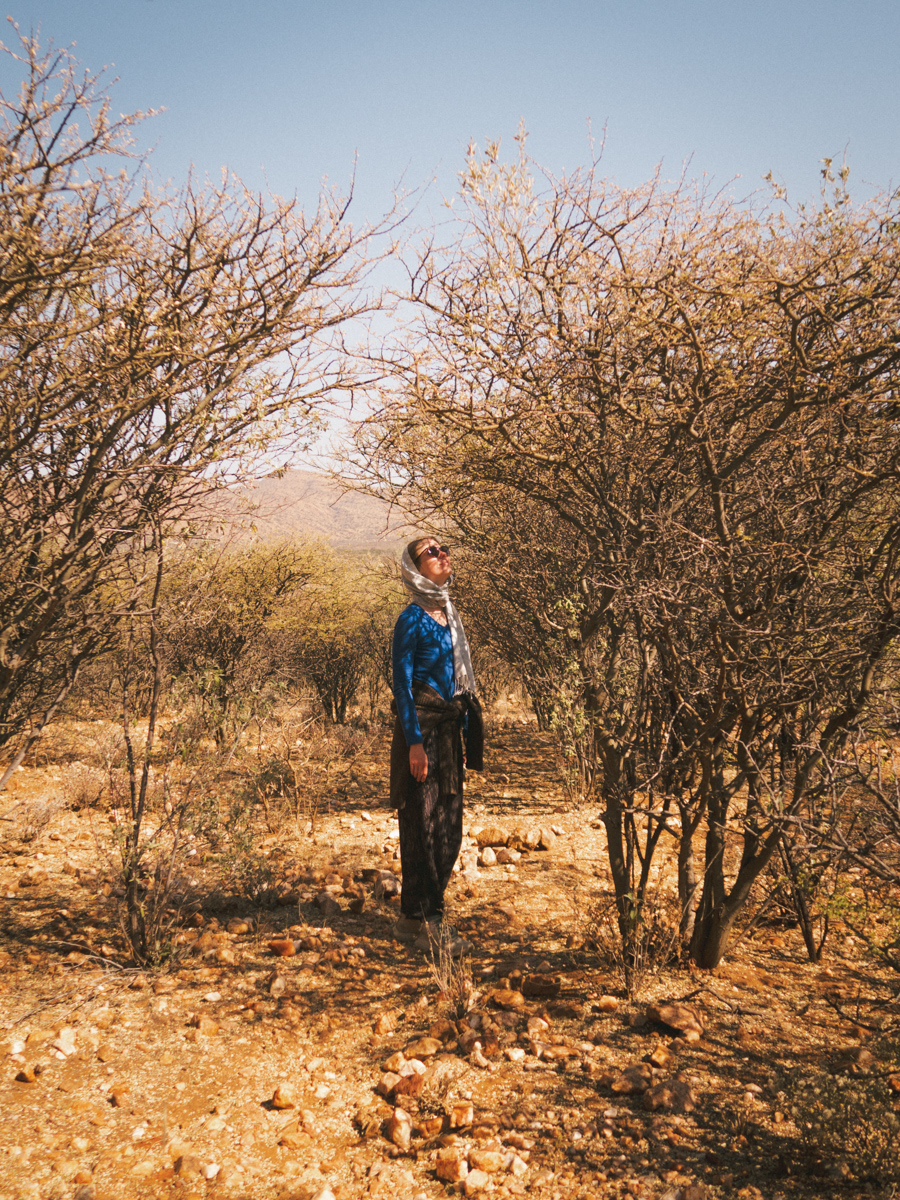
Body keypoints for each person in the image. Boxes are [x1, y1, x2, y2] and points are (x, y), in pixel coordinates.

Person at [390, 536, 483, 955]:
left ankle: (412, 917)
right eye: (431, 552)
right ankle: (431, 921)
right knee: (424, 826)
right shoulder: (411, 619)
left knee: (449, 826)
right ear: (415, 568)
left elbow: (457, 682)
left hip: (447, 734)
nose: (442, 555)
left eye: (443, 548)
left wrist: (462, 733)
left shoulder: (449, 614)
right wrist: (414, 743)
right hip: (421, 732)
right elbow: (402, 686)